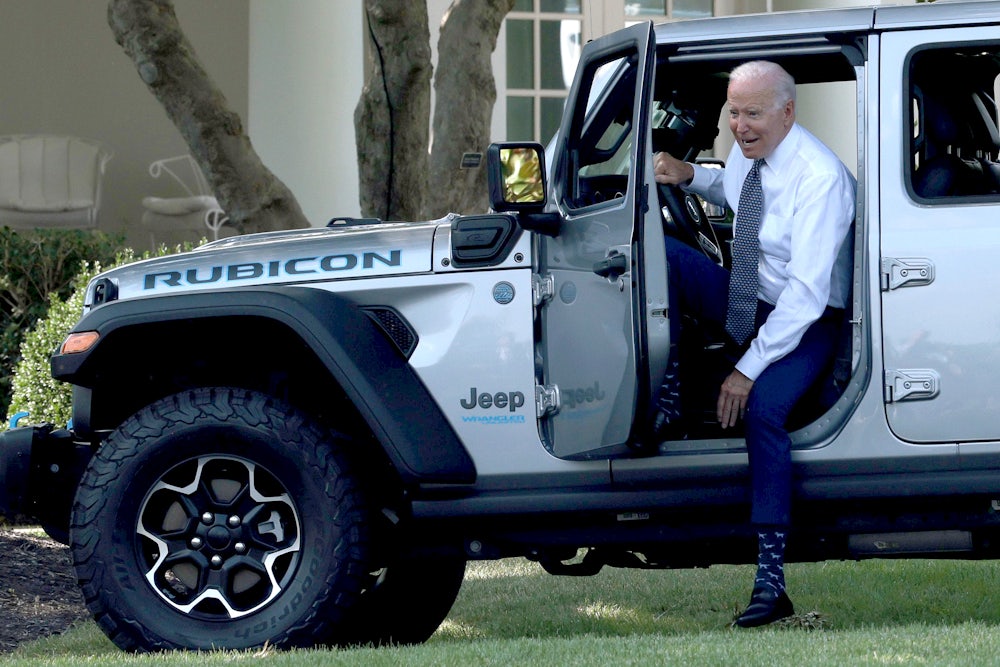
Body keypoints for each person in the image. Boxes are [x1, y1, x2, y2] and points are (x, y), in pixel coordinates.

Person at [653, 60, 856, 627]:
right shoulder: (751, 150)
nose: (739, 126)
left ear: (787, 112)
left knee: (764, 413)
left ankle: (772, 583)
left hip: (807, 320)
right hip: (750, 298)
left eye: (753, 114)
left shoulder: (820, 179)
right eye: (733, 111)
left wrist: (746, 369)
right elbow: (737, 186)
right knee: (661, 256)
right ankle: (667, 399)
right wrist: (689, 173)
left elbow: (807, 297)